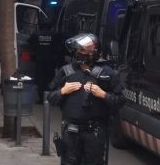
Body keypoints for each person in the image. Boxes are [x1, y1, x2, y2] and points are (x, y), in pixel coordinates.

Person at [48, 33, 125, 165]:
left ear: (94, 52)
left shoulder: (107, 73)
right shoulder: (66, 72)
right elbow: (51, 98)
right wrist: (62, 91)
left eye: (84, 50)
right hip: (71, 132)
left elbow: (120, 101)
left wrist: (103, 94)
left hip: (95, 133)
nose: (80, 53)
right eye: (79, 50)